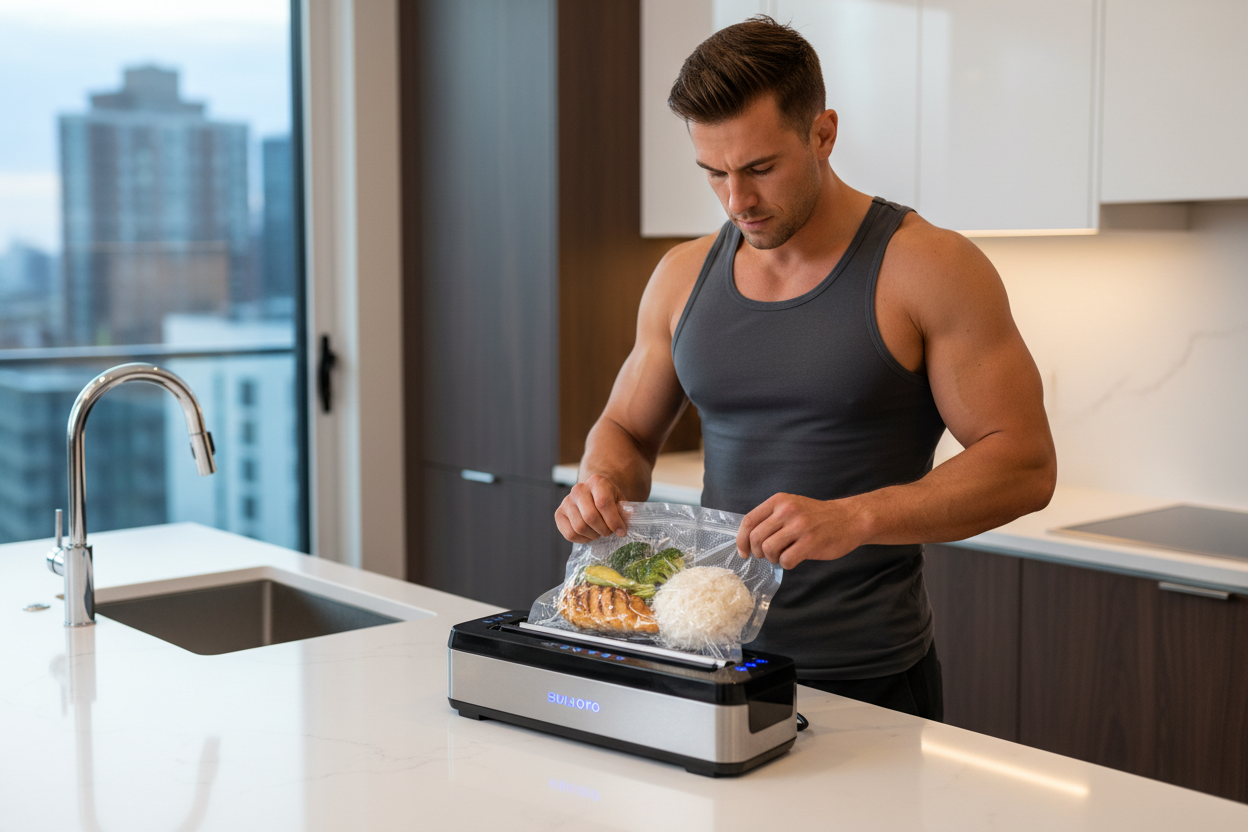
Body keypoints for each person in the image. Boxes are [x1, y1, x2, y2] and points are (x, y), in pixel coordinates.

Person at [553, 16, 1056, 720]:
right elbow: (627, 432)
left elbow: (1024, 464)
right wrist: (600, 484)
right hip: (706, 659)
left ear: (822, 133)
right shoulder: (681, 275)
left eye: (760, 168)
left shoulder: (930, 267)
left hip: (867, 679)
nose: (737, 201)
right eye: (714, 174)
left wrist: (855, 517)